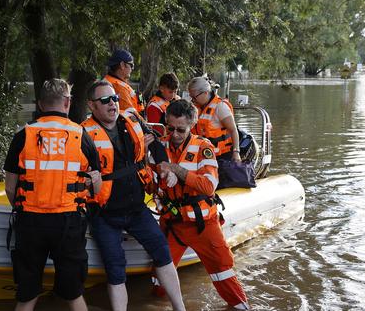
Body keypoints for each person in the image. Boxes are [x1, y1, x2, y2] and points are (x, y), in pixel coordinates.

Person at [81, 80, 186, 311]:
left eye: (115, 99)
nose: (113, 104)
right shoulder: (83, 134)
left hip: (137, 209)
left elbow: (157, 148)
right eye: (105, 100)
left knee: (162, 252)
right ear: (92, 105)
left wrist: (166, 169)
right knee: (115, 268)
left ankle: (180, 308)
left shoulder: (133, 121)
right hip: (104, 213)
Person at [3, 78, 103, 311]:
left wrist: (22, 208)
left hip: (30, 221)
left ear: (40, 104)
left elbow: (10, 187)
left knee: (27, 293)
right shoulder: (82, 136)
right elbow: (96, 188)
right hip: (68, 222)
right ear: (67, 102)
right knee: (74, 293)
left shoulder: (23, 135)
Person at [155, 99, 250, 310]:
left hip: (203, 224)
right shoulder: (159, 145)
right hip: (173, 223)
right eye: (170, 128)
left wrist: (175, 170)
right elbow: (151, 180)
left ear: (192, 126)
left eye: (181, 129)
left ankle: (241, 306)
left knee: (223, 273)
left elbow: (208, 186)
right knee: (159, 283)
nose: (175, 134)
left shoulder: (204, 147)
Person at [187, 76, 241, 162]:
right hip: (202, 152)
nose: (192, 100)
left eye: (194, 97)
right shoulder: (195, 107)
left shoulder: (220, 107)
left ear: (205, 93)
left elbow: (233, 130)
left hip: (221, 155)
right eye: (191, 97)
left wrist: (236, 152)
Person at [103, 48, 145, 117]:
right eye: (131, 65)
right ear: (122, 65)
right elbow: (131, 116)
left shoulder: (111, 81)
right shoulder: (118, 86)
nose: (132, 68)